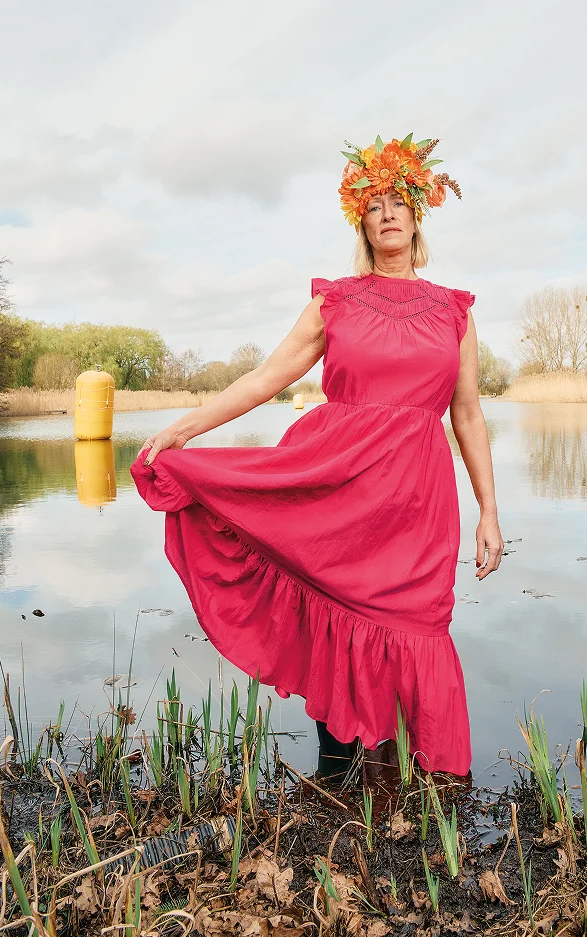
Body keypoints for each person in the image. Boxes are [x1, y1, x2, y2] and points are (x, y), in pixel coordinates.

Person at [131, 134, 504, 781]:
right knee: (338, 614)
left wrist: (489, 512)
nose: (386, 213)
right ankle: (337, 772)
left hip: (418, 502)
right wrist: (184, 429)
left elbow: (466, 414)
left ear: (417, 215)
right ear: (361, 222)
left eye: (397, 202)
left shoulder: (455, 312)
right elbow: (264, 379)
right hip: (338, 492)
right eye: (373, 206)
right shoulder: (335, 301)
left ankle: (411, 783)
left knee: (418, 624)